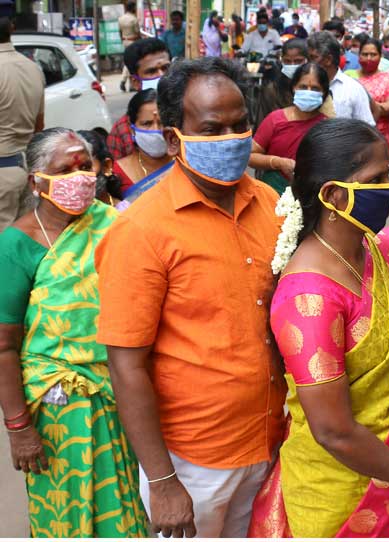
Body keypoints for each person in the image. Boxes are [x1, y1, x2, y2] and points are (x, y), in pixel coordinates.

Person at [95, 57, 287, 538]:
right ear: (175, 138)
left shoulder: (270, 204)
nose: (230, 137)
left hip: (271, 438)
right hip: (193, 461)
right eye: (212, 127)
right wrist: (163, 482)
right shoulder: (141, 230)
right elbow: (125, 364)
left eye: (240, 125)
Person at [247, 118, 389, 537]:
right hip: (339, 499)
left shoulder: (387, 248)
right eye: (375, 178)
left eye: (388, 174)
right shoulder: (308, 298)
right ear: (333, 195)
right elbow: (333, 431)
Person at [0, 128, 148, 536]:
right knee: (66, 515)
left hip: (113, 392)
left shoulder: (112, 225)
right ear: (36, 180)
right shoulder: (16, 246)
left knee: (121, 503)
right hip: (55, 409)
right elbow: (3, 346)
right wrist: (18, 428)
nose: (80, 177)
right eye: (66, 169)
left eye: (86, 167)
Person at [250, 62, 329, 194]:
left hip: (311, 196)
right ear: (293, 88)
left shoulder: (327, 126)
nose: (308, 92)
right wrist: (278, 162)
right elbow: (250, 156)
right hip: (272, 193)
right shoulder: (275, 120)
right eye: (303, 87)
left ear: (324, 92)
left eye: (315, 89)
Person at [0, 15, 44, 231]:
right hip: (26, 167)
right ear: (12, 28)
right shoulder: (33, 68)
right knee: (23, 238)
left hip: (3, 171)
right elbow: (39, 126)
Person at [106, 38, 171, 160]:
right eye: (152, 71)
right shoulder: (122, 131)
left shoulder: (191, 116)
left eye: (166, 68)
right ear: (135, 82)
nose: (162, 76)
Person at [347, 38, 389, 159]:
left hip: (379, 136)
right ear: (359, 55)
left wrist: (363, 106)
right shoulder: (348, 77)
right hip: (352, 136)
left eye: (373, 55)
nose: (368, 58)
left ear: (380, 56)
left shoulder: (388, 79)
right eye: (365, 54)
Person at [112, 89, 174, 199]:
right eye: (147, 123)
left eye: (162, 123)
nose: (156, 130)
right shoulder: (118, 172)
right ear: (132, 130)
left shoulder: (187, 161)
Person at [308, 31, 374, 125]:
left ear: (328, 60)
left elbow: (367, 128)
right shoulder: (302, 86)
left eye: (313, 57)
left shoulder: (353, 89)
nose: (308, 62)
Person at [78, 129, 124, 206]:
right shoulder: (62, 217)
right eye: (67, 170)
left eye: (85, 167)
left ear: (106, 166)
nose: (77, 177)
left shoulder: (127, 210)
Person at [118, 1, 141, 92]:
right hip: (133, 42)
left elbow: (119, 31)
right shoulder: (133, 19)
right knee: (131, 62)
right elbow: (137, 33)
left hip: (125, 41)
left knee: (128, 61)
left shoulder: (121, 18)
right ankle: (124, 81)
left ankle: (130, 84)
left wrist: (122, 40)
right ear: (133, 8)